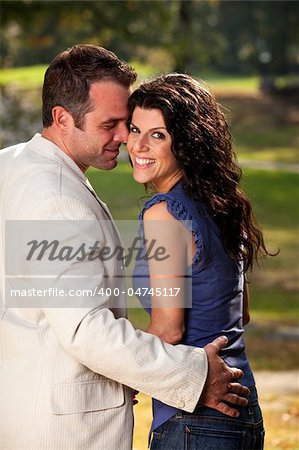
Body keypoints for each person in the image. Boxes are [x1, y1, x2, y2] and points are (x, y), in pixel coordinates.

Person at [0, 46, 249, 450]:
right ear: (63, 118)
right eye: (114, 124)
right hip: (61, 429)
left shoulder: (12, 165)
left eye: (131, 124)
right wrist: (190, 374)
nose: (125, 138)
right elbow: (86, 330)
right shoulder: (56, 197)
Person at [127, 73, 267, 449]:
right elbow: (241, 314)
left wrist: (118, 375)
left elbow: (170, 329)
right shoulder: (221, 203)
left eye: (158, 134)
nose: (138, 145)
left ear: (186, 143)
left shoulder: (164, 213)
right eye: (134, 128)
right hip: (243, 409)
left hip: (197, 415)